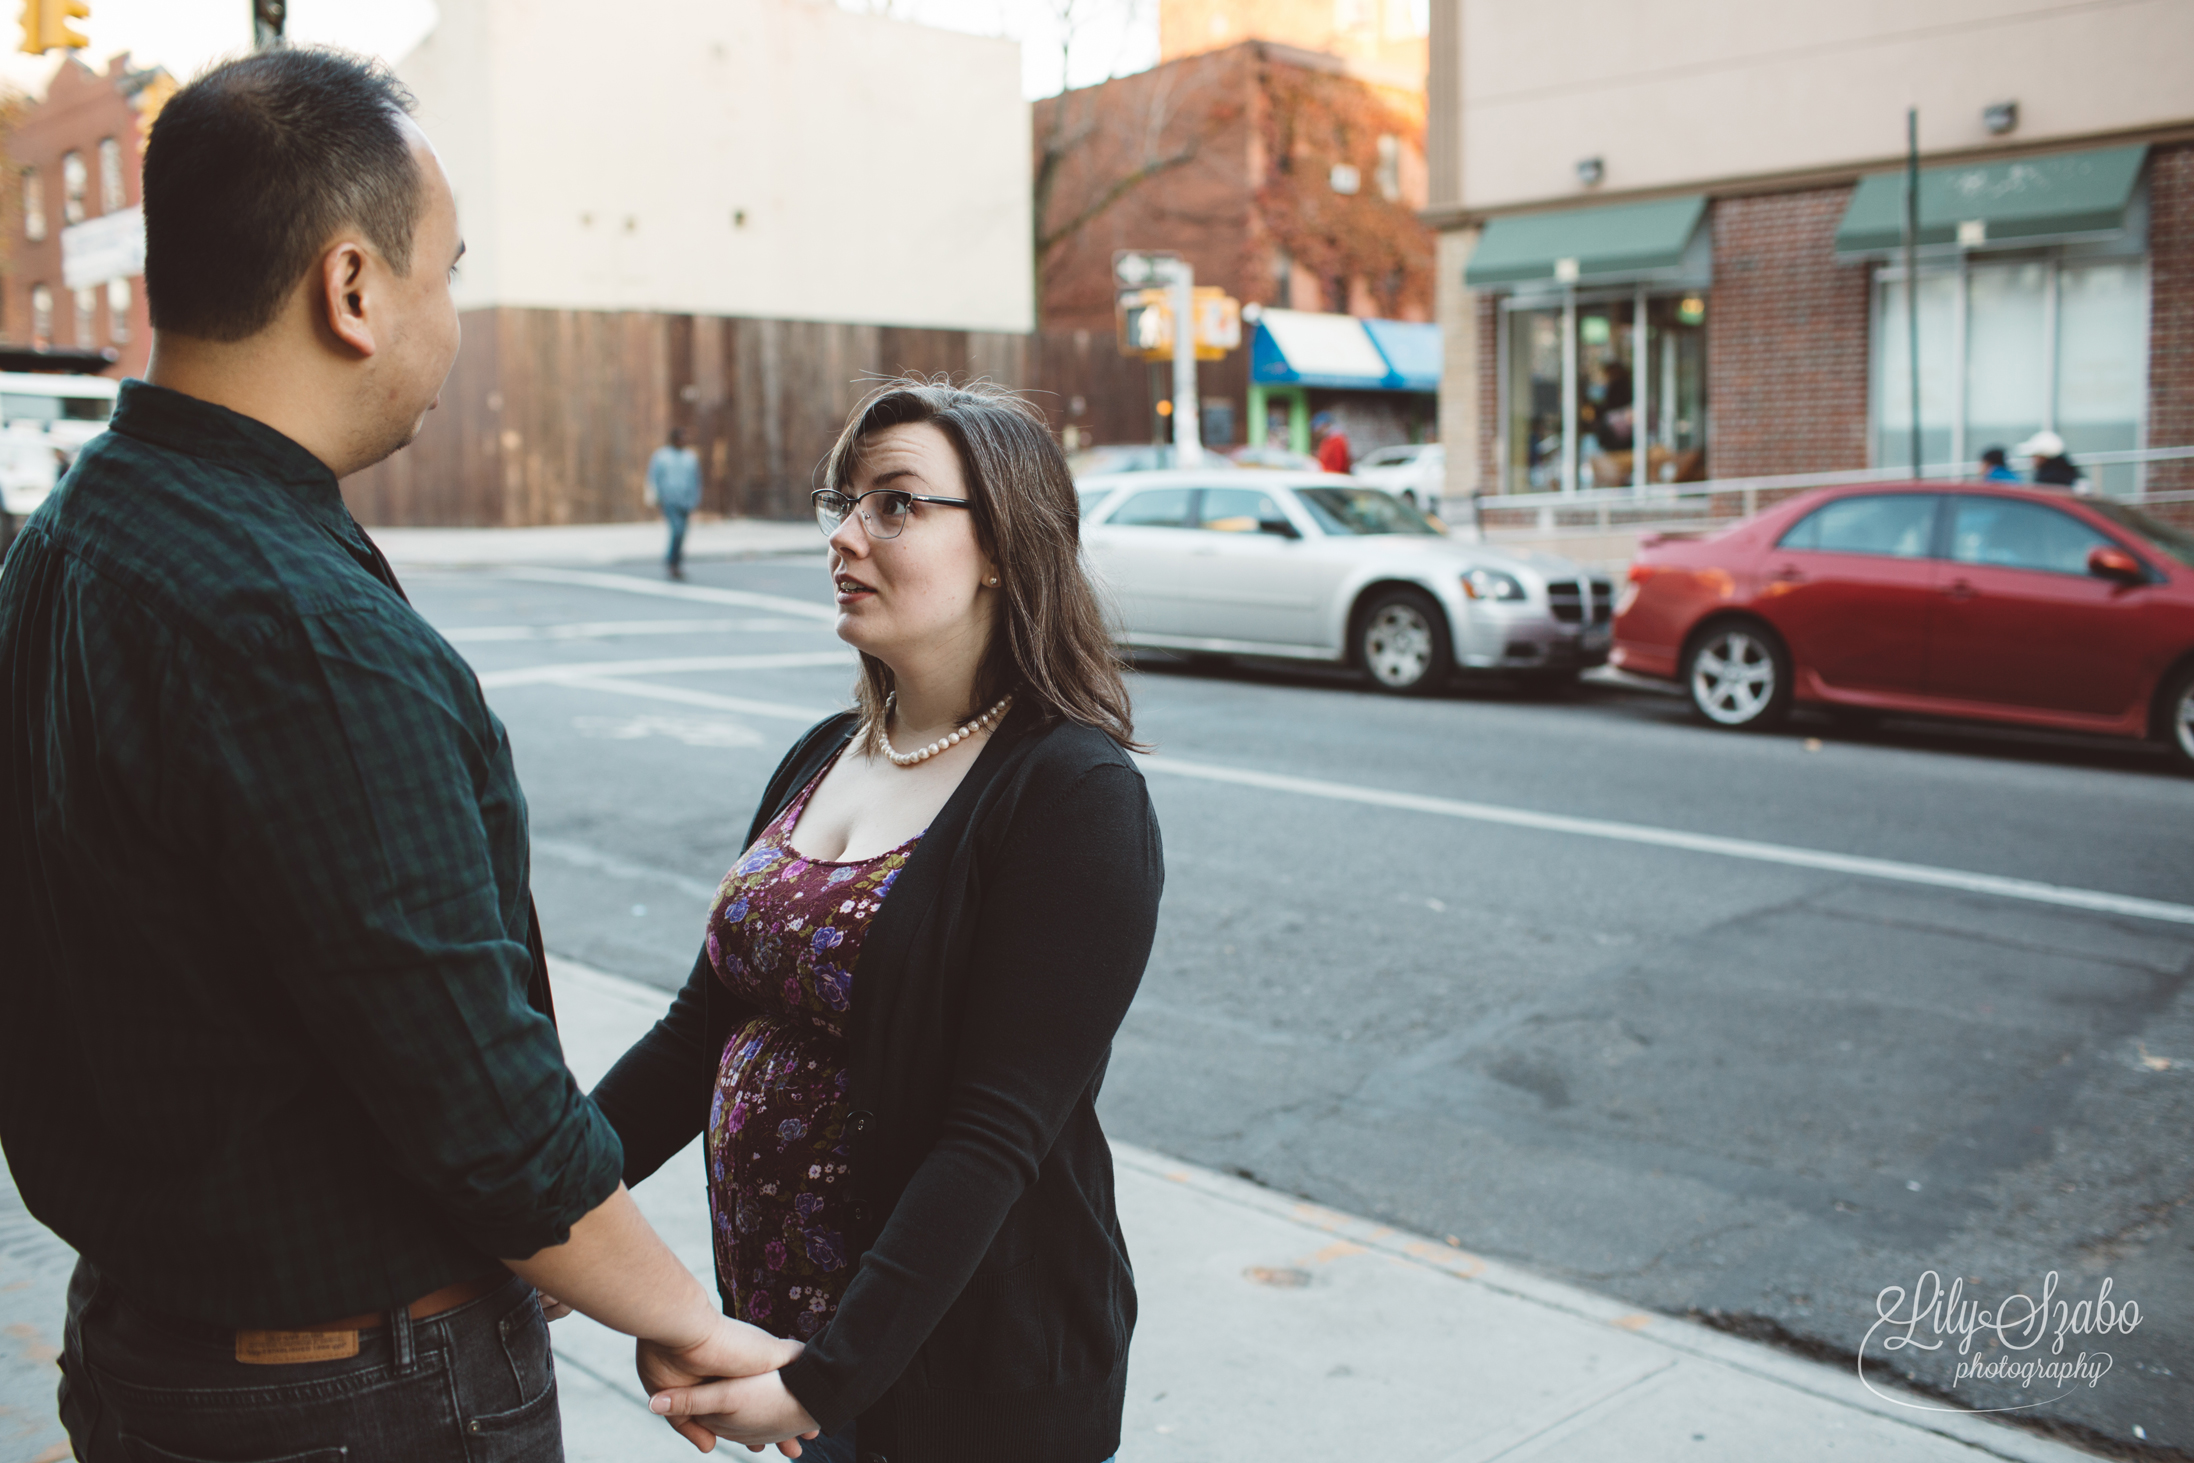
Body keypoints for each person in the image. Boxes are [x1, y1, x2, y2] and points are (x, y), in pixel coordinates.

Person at [0, 49, 799, 1462]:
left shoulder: (68, 541)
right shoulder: (296, 627)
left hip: (147, 1348)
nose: (452, 319)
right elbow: (482, 1106)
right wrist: (687, 1312)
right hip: (353, 1398)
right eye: (448, 275)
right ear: (353, 288)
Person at [592, 379, 1163, 1462]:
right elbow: (695, 1033)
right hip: (794, 1345)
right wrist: (549, 1204)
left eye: (895, 503)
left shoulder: (1068, 792)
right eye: (845, 502)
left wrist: (825, 1380)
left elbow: (994, 1132)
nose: (846, 536)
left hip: (965, 1378)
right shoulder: (821, 753)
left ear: (1001, 542)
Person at [648, 425, 703, 578]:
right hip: (669, 500)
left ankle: (676, 562)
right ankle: (672, 562)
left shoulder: (690, 457)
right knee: (677, 530)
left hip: (686, 501)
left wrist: (695, 499)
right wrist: (656, 498)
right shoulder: (661, 456)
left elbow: (696, 479)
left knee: (683, 533)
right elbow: (654, 477)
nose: (683, 441)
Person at [2016, 429, 2086, 491]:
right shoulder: (2069, 471)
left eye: (2034, 456)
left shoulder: (2047, 480)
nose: (2032, 460)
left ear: (2043, 456)